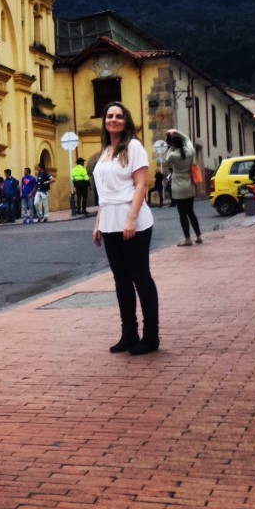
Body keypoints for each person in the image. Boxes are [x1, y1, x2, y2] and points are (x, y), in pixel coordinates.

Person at [93, 102, 159, 355]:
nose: (113, 119)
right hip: (110, 221)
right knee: (121, 281)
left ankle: (151, 337)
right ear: (105, 121)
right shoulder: (106, 151)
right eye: (109, 115)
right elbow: (105, 193)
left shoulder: (134, 146)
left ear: (126, 120)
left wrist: (131, 219)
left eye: (119, 116)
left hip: (134, 222)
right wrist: (99, 223)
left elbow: (141, 184)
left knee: (140, 278)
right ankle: (128, 334)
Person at [164, 129, 201, 246]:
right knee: (191, 212)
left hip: (178, 188)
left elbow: (167, 157)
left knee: (182, 214)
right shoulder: (190, 151)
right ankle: (199, 236)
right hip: (189, 185)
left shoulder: (173, 156)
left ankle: (187, 239)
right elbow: (187, 139)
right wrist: (176, 131)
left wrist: (171, 146)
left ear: (173, 144)